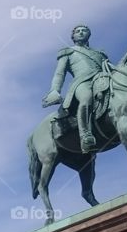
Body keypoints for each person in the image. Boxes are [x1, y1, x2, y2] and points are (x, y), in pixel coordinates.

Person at [42, 24, 110, 152]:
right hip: (82, 82)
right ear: (73, 36)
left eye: (84, 30)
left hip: (102, 80)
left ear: (88, 34)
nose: (81, 32)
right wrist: (55, 90)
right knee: (86, 99)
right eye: (77, 31)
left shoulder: (100, 54)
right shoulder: (68, 52)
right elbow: (59, 73)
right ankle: (85, 135)